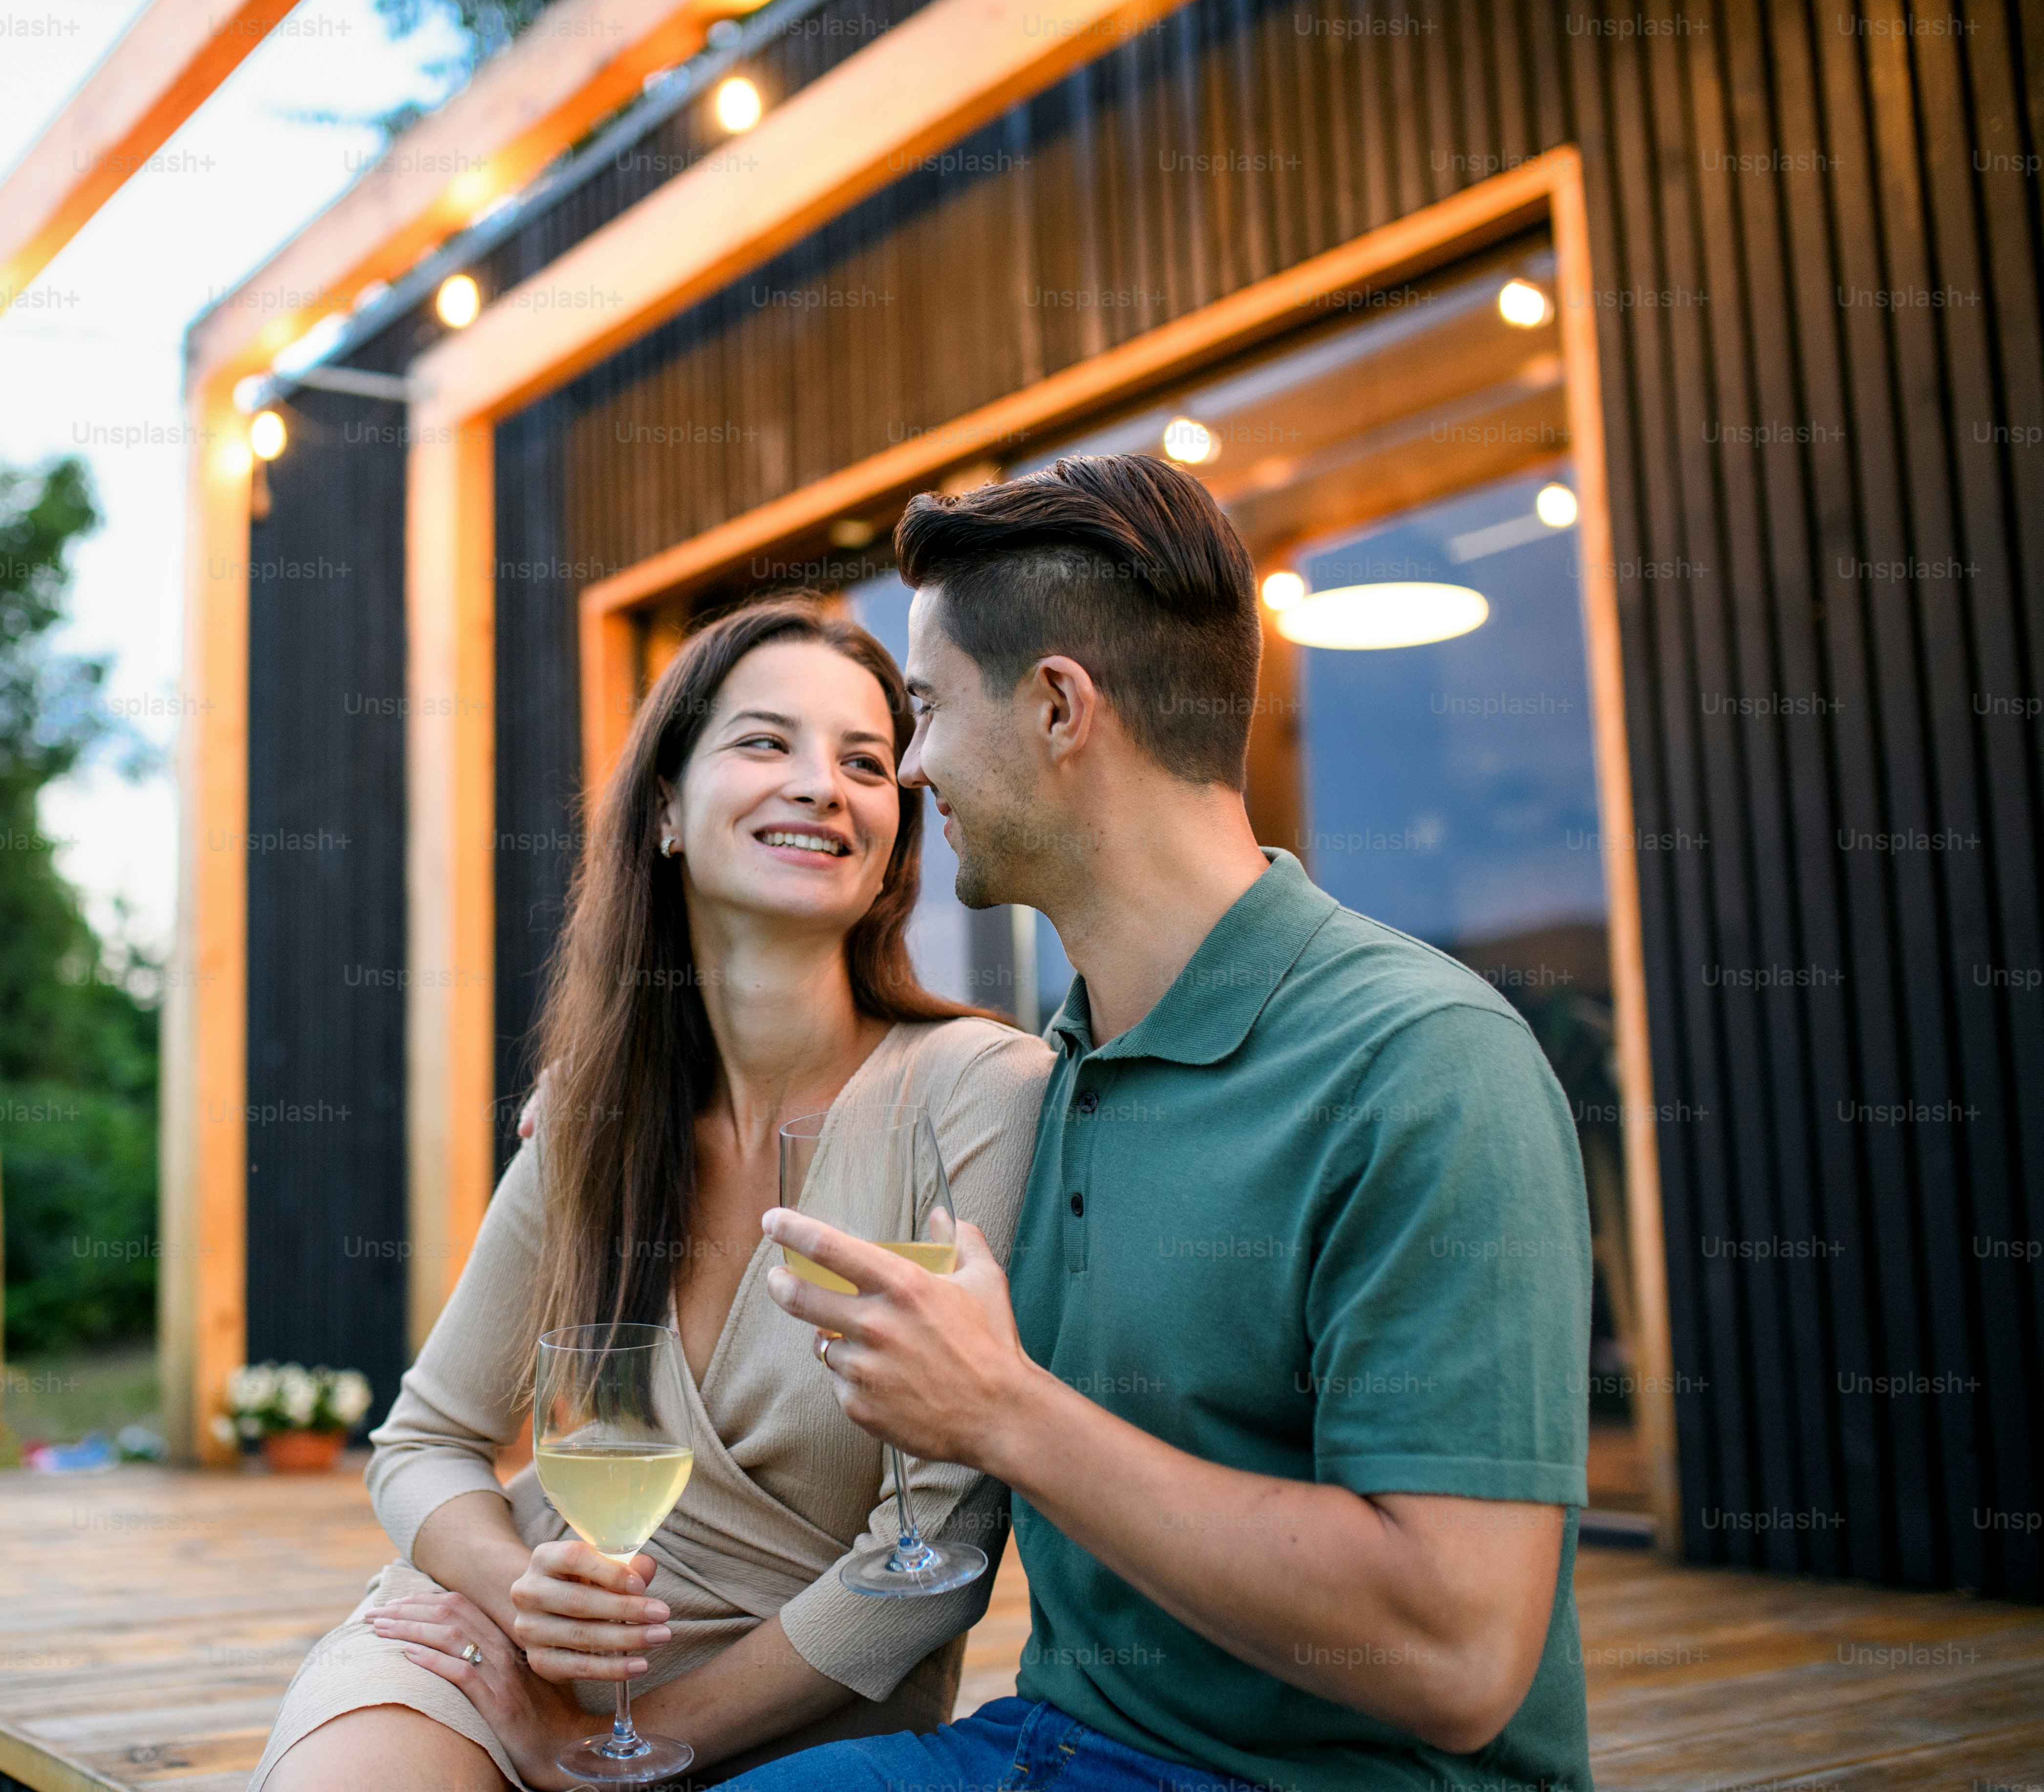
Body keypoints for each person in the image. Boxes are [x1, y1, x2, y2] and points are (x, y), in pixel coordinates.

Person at [740, 454, 1595, 1791]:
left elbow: (1461, 1657)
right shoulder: (1062, 1065)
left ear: (1059, 709)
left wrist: (1007, 1414)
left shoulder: (1422, 1068)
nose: (908, 769)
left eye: (924, 711)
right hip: (1055, 1744)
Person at [255, 599, 1057, 1792]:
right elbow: (425, 1439)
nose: (821, 786)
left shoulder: (980, 1092)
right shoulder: (594, 1112)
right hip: (491, 1659)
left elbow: (934, 1547)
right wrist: (511, 1582)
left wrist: (613, 1744)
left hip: (777, 1721)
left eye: (867, 762)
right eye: (766, 743)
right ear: (668, 809)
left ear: (896, 833)